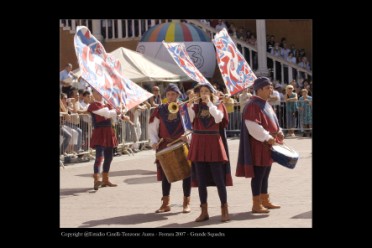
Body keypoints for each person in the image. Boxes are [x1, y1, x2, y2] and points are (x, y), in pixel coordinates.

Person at [236, 77, 284, 213]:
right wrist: (267, 137)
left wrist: (279, 132)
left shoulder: (265, 104)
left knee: (265, 174)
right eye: (268, 87)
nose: (271, 90)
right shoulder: (252, 105)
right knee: (258, 175)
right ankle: (256, 204)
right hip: (259, 145)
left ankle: (265, 200)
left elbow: (273, 120)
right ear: (260, 89)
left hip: (268, 145)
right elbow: (252, 126)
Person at [187, 84, 233, 222]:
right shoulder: (196, 106)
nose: (203, 93)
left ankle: (224, 209)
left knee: (219, 179)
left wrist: (210, 104)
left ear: (211, 93)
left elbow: (218, 118)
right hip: (199, 143)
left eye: (206, 91)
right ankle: (204, 211)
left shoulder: (218, 105)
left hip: (213, 143)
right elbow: (190, 120)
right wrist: (190, 105)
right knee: (201, 181)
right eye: (201, 91)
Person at [148, 83, 191, 214]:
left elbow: (191, 124)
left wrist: (188, 136)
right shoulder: (160, 109)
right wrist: (154, 141)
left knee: (186, 173)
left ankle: (186, 202)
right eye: (168, 94)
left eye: (173, 94)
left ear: (178, 95)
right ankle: (165, 203)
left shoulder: (185, 108)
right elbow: (153, 126)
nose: (171, 97)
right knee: (166, 174)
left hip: (181, 143)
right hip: (164, 144)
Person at [88, 88, 122, 190]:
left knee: (109, 157)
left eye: (100, 93)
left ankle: (105, 179)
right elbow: (106, 114)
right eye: (96, 92)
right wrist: (116, 110)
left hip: (108, 131)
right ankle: (96, 179)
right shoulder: (93, 105)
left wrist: (118, 111)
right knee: (99, 156)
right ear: (93, 94)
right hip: (100, 132)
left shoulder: (107, 105)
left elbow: (115, 115)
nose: (99, 95)